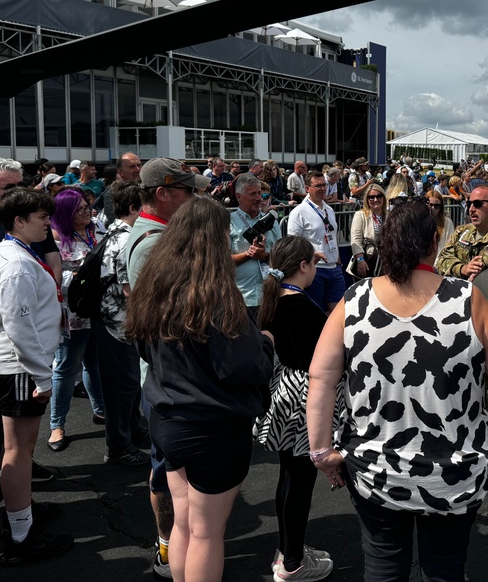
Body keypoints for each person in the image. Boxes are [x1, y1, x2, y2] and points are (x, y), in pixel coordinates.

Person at [306, 200, 488, 582]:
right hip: (454, 471)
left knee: (383, 564)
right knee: (445, 567)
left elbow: (322, 378)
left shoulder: (355, 299)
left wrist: (321, 450)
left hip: (375, 470)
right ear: (434, 241)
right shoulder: (467, 298)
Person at [127, 198, 274, 582]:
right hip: (212, 426)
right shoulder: (217, 297)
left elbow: (142, 345)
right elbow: (243, 367)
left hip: (167, 418)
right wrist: (266, 344)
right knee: (207, 532)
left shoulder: (154, 287)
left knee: (184, 523)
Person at [128, 157, 211, 580]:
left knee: (177, 474)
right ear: (162, 192)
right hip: (169, 383)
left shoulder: (157, 236)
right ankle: (168, 547)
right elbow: (159, 323)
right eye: (186, 192)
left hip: (171, 382)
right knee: (167, 474)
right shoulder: (152, 242)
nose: (193, 199)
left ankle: (181, 544)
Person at [0, 157, 60, 506]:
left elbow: (51, 260)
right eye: (11, 187)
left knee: (20, 442)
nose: (23, 191)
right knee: (7, 430)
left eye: (24, 183)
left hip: (17, 351)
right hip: (15, 357)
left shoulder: (17, 241)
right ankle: (2, 496)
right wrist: (43, 377)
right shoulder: (3, 247)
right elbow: (10, 313)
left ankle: (21, 506)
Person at [0, 189, 74, 563]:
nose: (47, 224)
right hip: (22, 367)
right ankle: (21, 535)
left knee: (18, 450)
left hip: (18, 364)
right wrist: (42, 378)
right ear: (19, 221)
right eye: (41, 218)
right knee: (18, 452)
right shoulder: (17, 264)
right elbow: (17, 327)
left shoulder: (14, 253)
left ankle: (21, 516)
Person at [255, 235, 337, 581]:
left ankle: (289, 550)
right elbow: (320, 359)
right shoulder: (300, 306)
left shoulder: (274, 298)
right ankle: (292, 563)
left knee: (289, 475)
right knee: (300, 479)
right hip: (306, 395)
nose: (316, 268)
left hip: (285, 391)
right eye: (313, 263)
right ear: (303, 266)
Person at [93, 181, 149, 467]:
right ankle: (117, 445)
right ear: (133, 208)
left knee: (127, 385)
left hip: (115, 322)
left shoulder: (113, 231)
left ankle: (133, 430)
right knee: (122, 387)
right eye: (144, 207)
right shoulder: (126, 238)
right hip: (118, 323)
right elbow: (129, 288)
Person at [46, 188, 104, 452]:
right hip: (72, 313)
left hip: (98, 310)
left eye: (88, 207)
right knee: (66, 368)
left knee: (95, 362)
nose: (88, 213)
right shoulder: (55, 238)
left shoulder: (95, 229)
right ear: (67, 212)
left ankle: (101, 409)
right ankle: (57, 424)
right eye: (81, 209)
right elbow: (52, 279)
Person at [287, 171, 345, 313]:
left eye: (324, 185)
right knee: (314, 313)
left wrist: (338, 261)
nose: (322, 189)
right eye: (318, 186)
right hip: (315, 270)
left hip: (334, 269)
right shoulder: (299, 212)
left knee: (338, 312)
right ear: (307, 188)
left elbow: (332, 235)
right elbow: (294, 243)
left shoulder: (329, 210)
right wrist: (311, 256)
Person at [229, 173, 283, 322]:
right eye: (252, 194)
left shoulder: (272, 223)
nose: (259, 198)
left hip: (268, 298)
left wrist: (265, 256)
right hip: (240, 299)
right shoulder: (229, 222)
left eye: (260, 193)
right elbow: (221, 260)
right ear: (239, 196)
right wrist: (249, 254)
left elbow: (281, 258)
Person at [349, 182, 387, 278]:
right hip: (367, 259)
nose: (375, 200)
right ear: (367, 199)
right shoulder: (360, 215)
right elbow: (356, 240)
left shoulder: (389, 215)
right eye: (371, 197)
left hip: (385, 261)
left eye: (379, 196)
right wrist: (360, 260)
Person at [424, 188, 454, 256]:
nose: (433, 208)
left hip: (441, 260)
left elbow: (450, 245)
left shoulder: (447, 222)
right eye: (430, 205)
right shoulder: (419, 221)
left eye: (436, 206)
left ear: (441, 207)